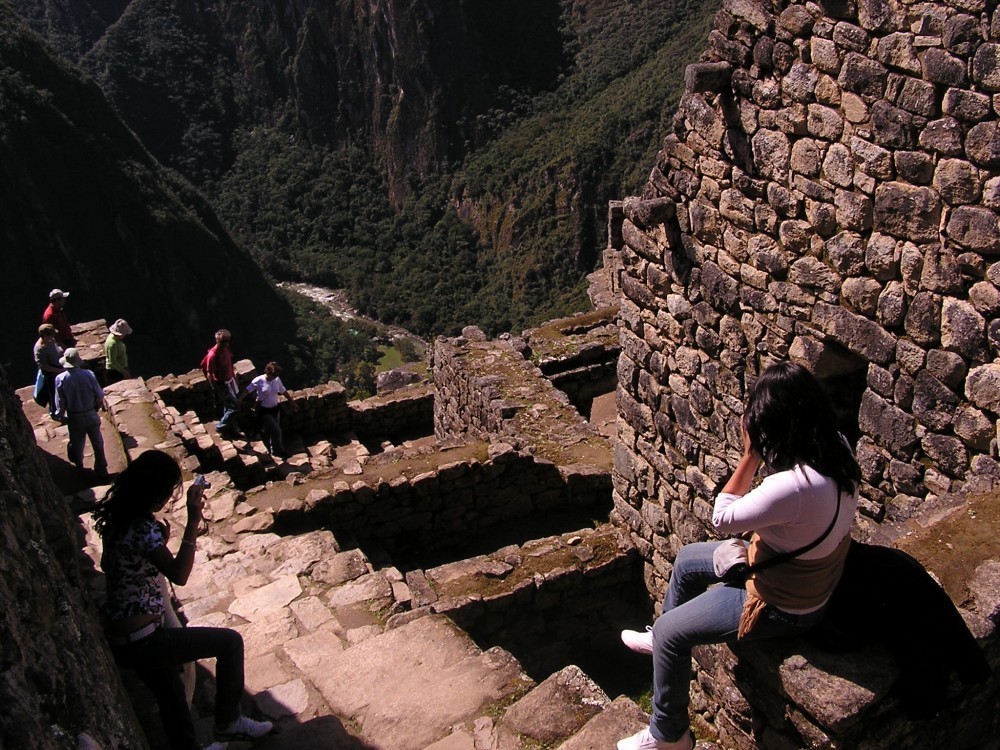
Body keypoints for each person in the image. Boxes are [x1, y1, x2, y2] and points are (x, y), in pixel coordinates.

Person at [617, 362, 861, 750]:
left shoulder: (795, 486)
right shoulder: (836, 447)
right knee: (687, 561)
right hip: (794, 567)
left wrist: (751, 455)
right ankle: (660, 643)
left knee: (672, 633)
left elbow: (723, 518)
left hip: (783, 602)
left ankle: (669, 734)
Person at [93, 450, 273, 749]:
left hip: (124, 634)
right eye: (166, 493)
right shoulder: (142, 529)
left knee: (173, 699)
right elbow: (179, 575)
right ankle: (228, 722)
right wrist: (192, 520)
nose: (166, 500)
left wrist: (159, 546)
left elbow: (130, 563)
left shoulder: (118, 519)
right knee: (230, 643)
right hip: (143, 639)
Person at [54, 348, 109, 478]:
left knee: (77, 443)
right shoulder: (89, 374)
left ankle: (79, 464)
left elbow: (60, 401)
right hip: (90, 413)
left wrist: (60, 415)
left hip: (74, 416)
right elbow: (99, 394)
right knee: (97, 441)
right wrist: (97, 405)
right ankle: (102, 468)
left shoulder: (60, 379)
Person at [237, 361, 292, 457]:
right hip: (264, 410)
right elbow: (247, 390)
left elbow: (282, 390)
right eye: (273, 375)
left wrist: (292, 402)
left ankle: (274, 450)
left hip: (275, 409)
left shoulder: (276, 379)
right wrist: (239, 400)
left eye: (275, 375)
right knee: (277, 430)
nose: (274, 377)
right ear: (267, 372)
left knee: (273, 431)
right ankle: (280, 450)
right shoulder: (259, 380)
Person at [201, 329, 238, 435]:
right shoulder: (212, 355)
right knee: (234, 407)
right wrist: (218, 391)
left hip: (229, 381)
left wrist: (234, 378)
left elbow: (229, 364)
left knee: (228, 407)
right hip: (222, 385)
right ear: (217, 340)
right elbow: (210, 374)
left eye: (227, 341)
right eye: (223, 341)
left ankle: (230, 430)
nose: (225, 343)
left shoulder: (226, 349)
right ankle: (220, 427)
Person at [33, 323, 64, 418]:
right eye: (51, 334)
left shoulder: (51, 340)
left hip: (59, 366)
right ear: (45, 336)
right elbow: (44, 366)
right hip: (51, 374)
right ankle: (55, 413)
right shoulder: (39, 349)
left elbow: (57, 348)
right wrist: (58, 371)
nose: (53, 337)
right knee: (54, 395)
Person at [105, 318, 133, 383]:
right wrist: (124, 372)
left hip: (121, 367)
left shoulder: (115, 339)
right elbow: (112, 362)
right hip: (116, 372)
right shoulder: (112, 344)